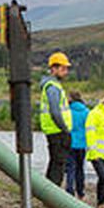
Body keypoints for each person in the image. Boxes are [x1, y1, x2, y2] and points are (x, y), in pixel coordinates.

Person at [34, 52, 73, 186]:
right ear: (53, 69)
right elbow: (55, 112)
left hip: (55, 130)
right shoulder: (52, 88)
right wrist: (65, 129)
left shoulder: (54, 86)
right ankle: (53, 195)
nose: (66, 72)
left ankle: (49, 193)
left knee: (55, 163)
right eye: (63, 68)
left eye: (66, 68)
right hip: (57, 131)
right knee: (58, 164)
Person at [65, 96, 90, 197]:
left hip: (70, 143)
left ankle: (69, 190)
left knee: (71, 168)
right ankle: (80, 191)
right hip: (82, 144)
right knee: (80, 169)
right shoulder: (87, 112)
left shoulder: (67, 111)